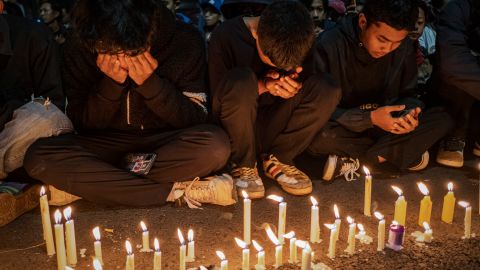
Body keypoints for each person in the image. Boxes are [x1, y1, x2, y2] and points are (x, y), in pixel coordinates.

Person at [24, 0, 235, 209]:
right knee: (38, 156)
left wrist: (151, 85)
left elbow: (196, 117)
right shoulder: (78, 45)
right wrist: (110, 86)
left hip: (165, 146)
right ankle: (175, 192)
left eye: (132, 51)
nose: (122, 58)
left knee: (215, 146)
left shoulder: (185, 40)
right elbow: (80, 121)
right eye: (110, 51)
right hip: (105, 145)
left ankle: (94, 186)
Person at [209, 0, 341, 198]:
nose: (282, 68)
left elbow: (308, 80)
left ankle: (279, 158)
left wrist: (292, 86)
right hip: (238, 129)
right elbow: (219, 96)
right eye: (273, 62)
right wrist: (262, 86)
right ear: (256, 34)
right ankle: (243, 164)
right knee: (242, 79)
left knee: (327, 87)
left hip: (276, 124)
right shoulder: (226, 36)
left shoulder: (302, 37)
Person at [309, 0, 452, 181]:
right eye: (382, 40)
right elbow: (316, 108)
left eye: (396, 43)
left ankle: (360, 162)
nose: (387, 49)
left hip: (385, 127)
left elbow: (408, 94)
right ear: (363, 22)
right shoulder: (329, 44)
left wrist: (408, 114)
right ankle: (396, 154)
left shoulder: (404, 47)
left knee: (443, 118)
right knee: (319, 138)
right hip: (343, 126)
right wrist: (369, 118)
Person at [0, 0, 72, 226]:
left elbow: (53, 105)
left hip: (22, 138)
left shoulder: (33, 36)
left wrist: (10, 111)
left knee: (42, 118)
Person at [434, 0, 480, 168]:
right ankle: (454, 136)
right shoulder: (457, 9)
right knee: (460, 70)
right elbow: (452, 62)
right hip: (455, 92)